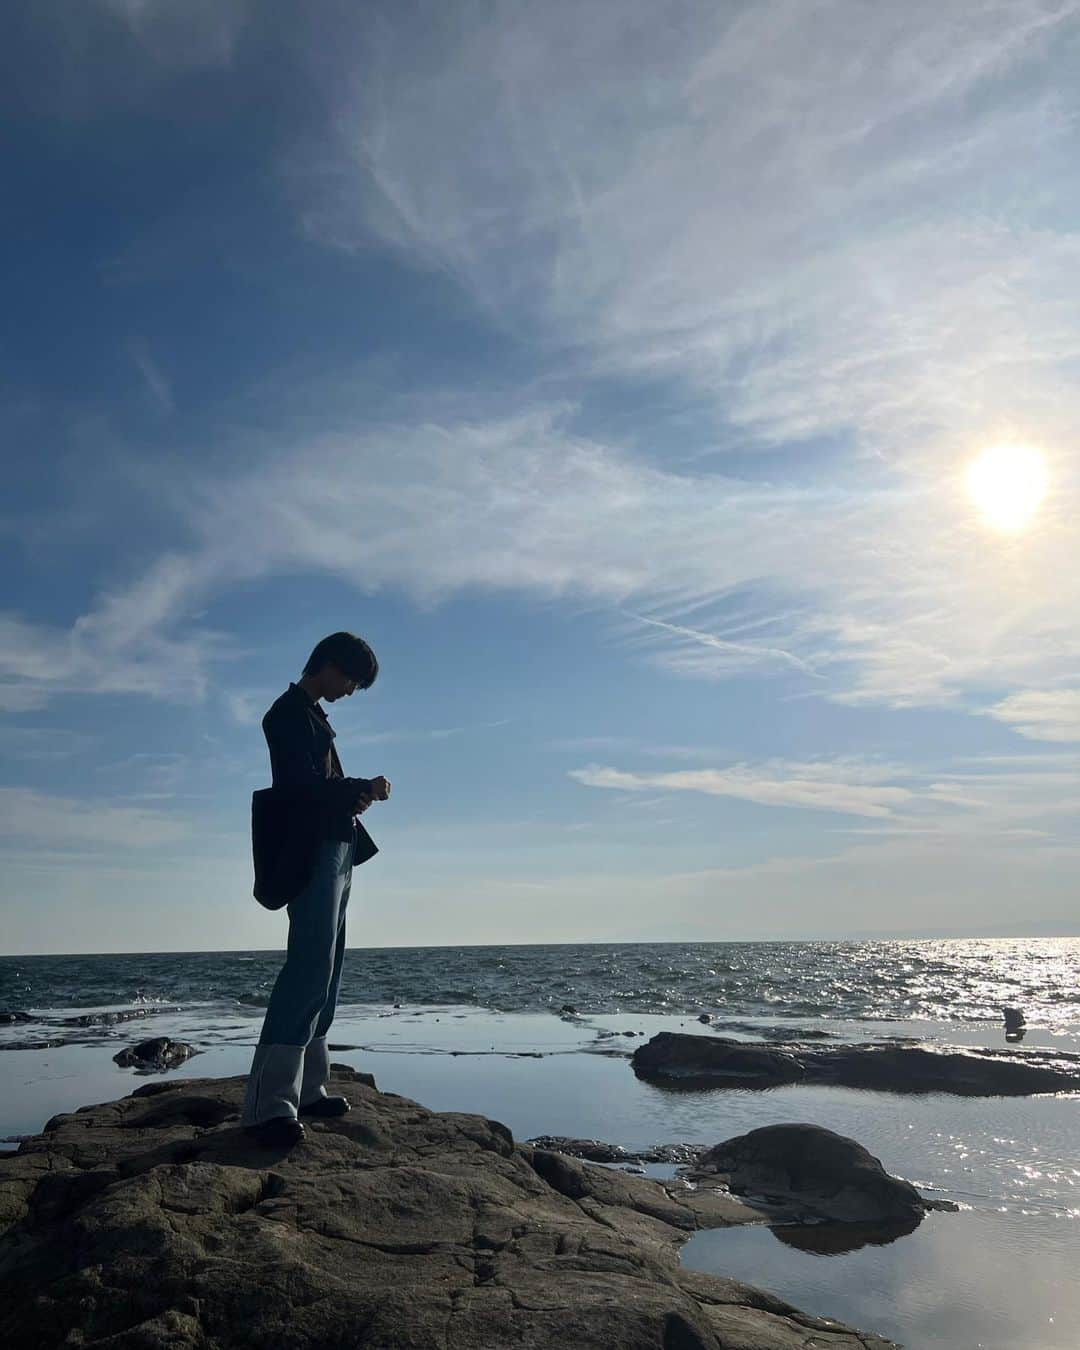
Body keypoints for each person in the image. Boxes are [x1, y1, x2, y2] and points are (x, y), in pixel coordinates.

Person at [242, 631, 391, 1146]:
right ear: (328, 665)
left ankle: (307, 1089)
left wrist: (355, 798)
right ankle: (269, 1105)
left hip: (337, 848)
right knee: (309, 966)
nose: (350, 690)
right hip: (314, 851)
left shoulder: (310, 715)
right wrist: (360, 788)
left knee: (327, 969)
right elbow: (300, 788)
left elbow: (317, 791)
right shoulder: (286, 713)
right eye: (351, 679)